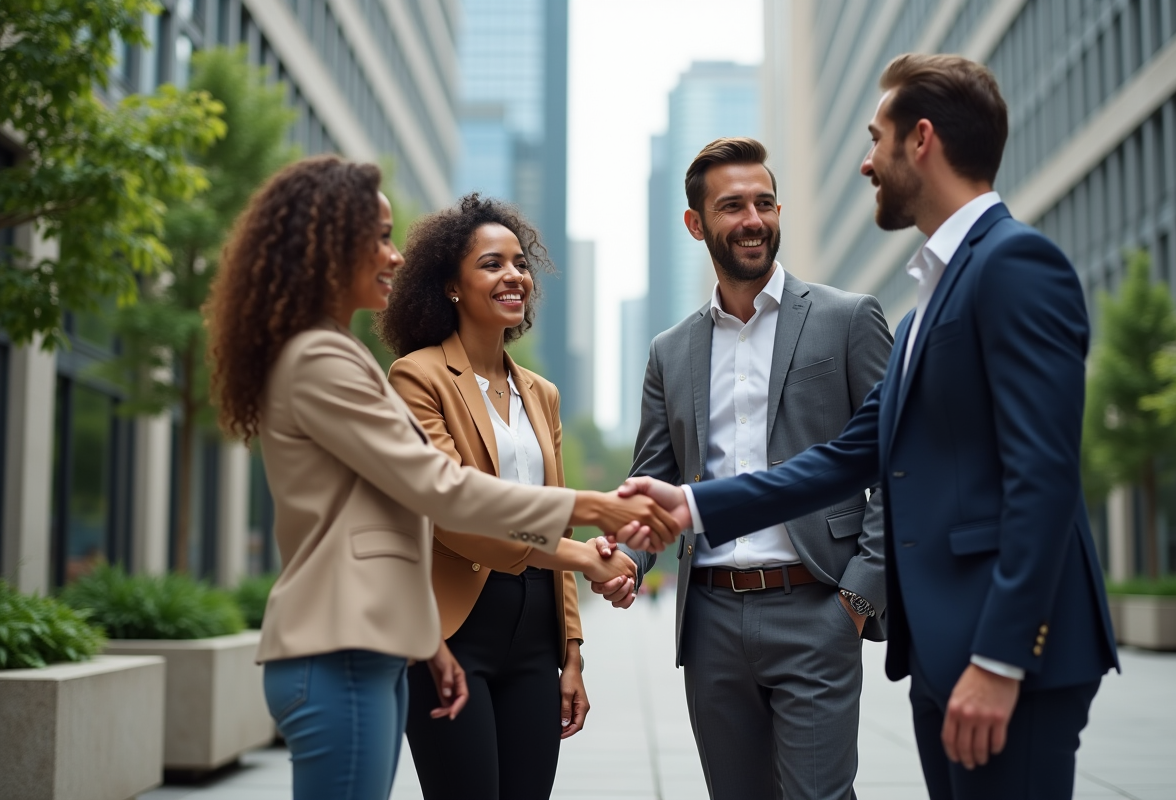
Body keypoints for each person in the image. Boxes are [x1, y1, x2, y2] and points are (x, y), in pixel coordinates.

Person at [620, 55, 1120, 800]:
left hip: (1001, 655)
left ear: (920, 141)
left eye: (875, 139)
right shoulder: (933, 299)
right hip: (944, 652)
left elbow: (1043, 481)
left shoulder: (1016, 265)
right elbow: (853, 453)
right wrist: (693, 506)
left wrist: (997, 657)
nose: (865, 163)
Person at [204, 156, 678, 800]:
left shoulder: (526, 390)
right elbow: (441, 493)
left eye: (520, 263)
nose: (392, 257)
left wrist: (445, 643)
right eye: (375, 238)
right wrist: (593, 511)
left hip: (407, 640)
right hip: (350, 647)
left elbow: (389, 519)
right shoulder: (344, 363)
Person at [596, 137, 892, 800]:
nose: (753, 219)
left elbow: (893, 467)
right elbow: (655, 481)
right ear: (696, 224)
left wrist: (857, 597)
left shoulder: (848, 319)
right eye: (732, 206)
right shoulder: (669, 351)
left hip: (816, 605)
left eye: (764, 202)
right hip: (711, 622)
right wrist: (626, 560)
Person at [375, 194, 637, 800]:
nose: (514, 274)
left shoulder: (540, 393)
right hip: (453, 628)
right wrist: (585, 559)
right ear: (451, 286)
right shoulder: (417, 377)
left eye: (519, 263)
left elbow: (555, 516)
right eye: (491, 264)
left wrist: (571, 651)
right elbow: (455, 516)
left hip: (534, 634)